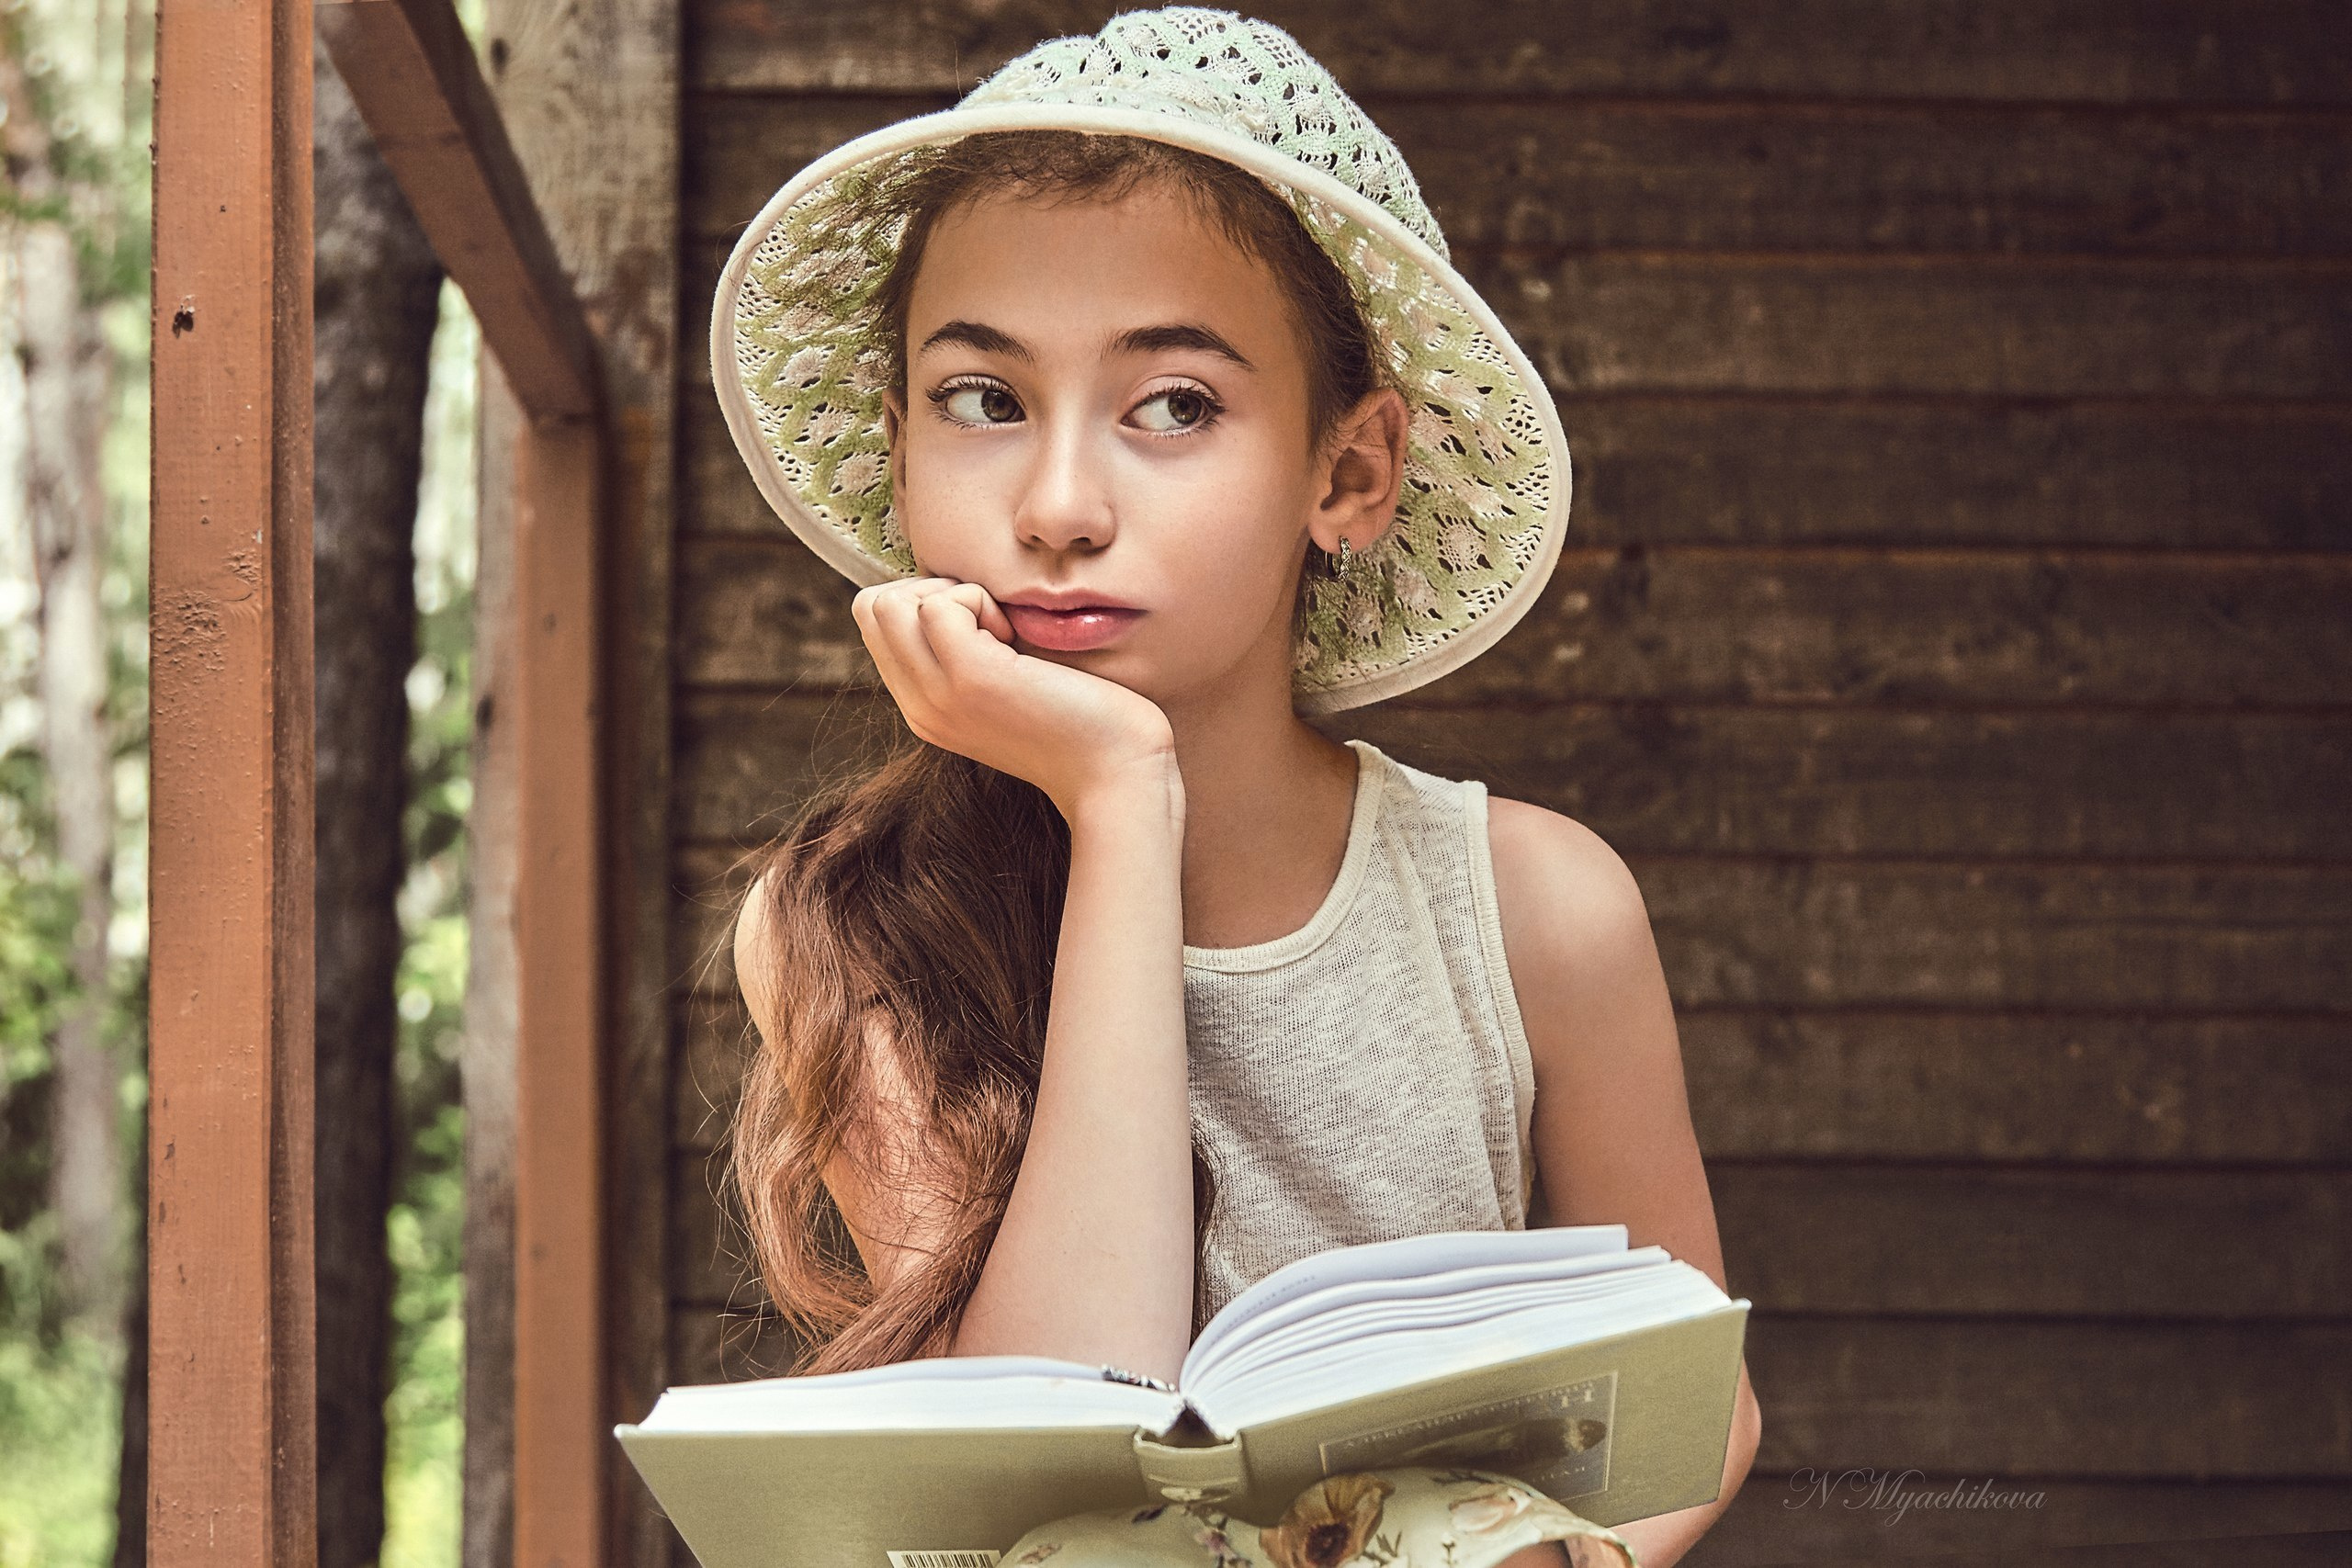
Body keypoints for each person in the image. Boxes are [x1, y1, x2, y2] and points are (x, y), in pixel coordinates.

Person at [713, 11, 1760, 1565]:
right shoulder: (853, 929)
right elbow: (1064, 1440)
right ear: (899, 445)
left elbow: (1705, 1398)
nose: (1059, 508)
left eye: (1176, 406)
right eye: (984, 401)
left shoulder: (1534, 908)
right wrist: (1122, 801)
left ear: (1346, 474)